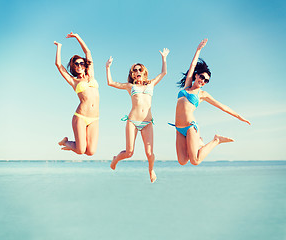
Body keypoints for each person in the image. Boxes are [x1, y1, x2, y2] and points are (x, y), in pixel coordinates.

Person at [170, 39, 250, 166]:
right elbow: (192, 65)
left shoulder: (202, 94)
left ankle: (216, 140)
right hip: (179, 128)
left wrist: (240, 117)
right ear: (196, 75)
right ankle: (199, 142)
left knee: (195, 161)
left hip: (191, 127)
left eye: (206, 81)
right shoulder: (186, 86)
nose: (203, 81)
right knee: (182, 161)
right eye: (202, 77)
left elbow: (222, 106)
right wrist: (198, 49)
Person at [106, 48, 170, 183]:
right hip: (132, 121)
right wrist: (108, 67)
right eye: (135, 70)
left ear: (144, 72)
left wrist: (164, 58)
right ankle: (115, 159)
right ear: (132, 74)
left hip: (147, 123)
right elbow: (111, 83)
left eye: (140, 70)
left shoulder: (151, 83)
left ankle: (151, 170)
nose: (137, 72)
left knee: (149, 153)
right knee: (129, 153)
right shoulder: (130, 86)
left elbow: (164, 72)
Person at [54, 32, 99, 155]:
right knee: (80, 150)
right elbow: (58, 65)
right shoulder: (74, 81)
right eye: (76, 64)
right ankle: (66, 142)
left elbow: (88, 52)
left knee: (91, 152)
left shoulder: (91, 74)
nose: (79, 65)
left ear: (85, 65)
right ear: (74, 67)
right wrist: (59, 47)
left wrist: (77, 37)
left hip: (94, 118)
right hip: (80, 116)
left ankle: (72, 145)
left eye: (81, 63)